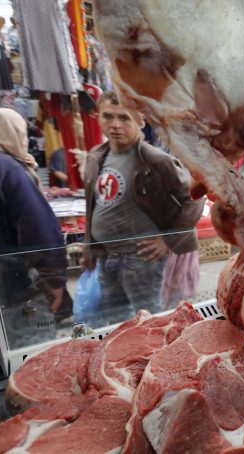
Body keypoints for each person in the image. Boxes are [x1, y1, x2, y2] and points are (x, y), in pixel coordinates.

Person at [84, 91, 204, 324]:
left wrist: (168, 239)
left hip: (139, 260)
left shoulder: (155, 160)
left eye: (124, 117)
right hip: (106, 257)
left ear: (139, 121)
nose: (115, 124)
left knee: (151, 323)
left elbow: (195, 198)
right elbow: (93, 203)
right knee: (115, 323)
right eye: (108, 116)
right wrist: (90, 247)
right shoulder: (96, 156)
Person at [0, 108, 71, 348]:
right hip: (14, 286)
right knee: (34, 351)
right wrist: (54, 280)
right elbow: (39, 230)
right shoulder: (6, 169)